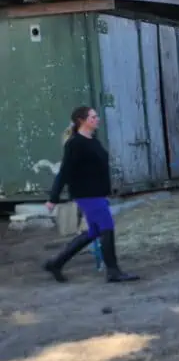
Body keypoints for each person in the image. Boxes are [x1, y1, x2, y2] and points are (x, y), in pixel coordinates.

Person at [43, 106, 140, 283]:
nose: (97, 119)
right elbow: (64, 172)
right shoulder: (75, 144)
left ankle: (56, 263)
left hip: (97, 193)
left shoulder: (93, 140)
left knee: (94, 231)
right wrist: (53, 199)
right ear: (82, 120)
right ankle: (113, 271)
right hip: (87, 194)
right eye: (93, 117)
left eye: (96, 116)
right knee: (106, 227)